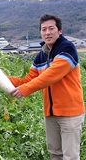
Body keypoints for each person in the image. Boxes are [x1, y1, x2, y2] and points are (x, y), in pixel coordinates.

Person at [9, 14, 85, 159]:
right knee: (55, 154)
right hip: (50, 113)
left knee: (70, 156)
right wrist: (4, 79)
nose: (47, 32)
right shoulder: (41, 55)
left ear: (60, 31)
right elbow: (28, 78)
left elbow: (51, 75)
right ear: (40, 32)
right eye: (44, 29)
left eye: (51, 28)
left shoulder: (67, 48)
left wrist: (25, 90)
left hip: (70, 112)